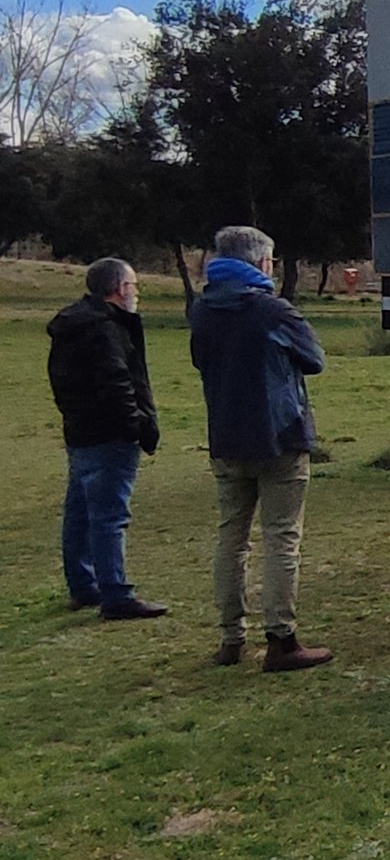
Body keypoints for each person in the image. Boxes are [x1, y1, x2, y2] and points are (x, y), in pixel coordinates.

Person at [189, 226, 333, 671]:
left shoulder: (203, 308)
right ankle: (281, 638)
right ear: (262, 264)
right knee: (281, 538)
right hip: (279, 436)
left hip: (226, 437)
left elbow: (200, 360)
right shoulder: (273, 311)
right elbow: (315, 359)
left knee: (231, 538)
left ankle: (231, 637)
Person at [47, 256, 166, 620]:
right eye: (133, 285)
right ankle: (115, 592)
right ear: (120, 289)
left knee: (80, 511)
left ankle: (83, 585)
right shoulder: (106, 329)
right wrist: (136, 425)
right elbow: (118, 383)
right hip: (110, 434)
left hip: (80, 430)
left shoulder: (73, 325)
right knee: (109, 515)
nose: (137, 292)